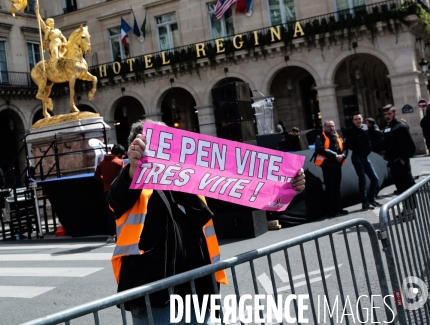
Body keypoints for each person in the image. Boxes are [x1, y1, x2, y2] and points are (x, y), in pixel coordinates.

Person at [109, 120, 306, 324]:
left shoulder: (187, 180)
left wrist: (285, 187)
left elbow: (235, 195)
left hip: (198, 293)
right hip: (156, 300)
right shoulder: (133, 181)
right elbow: (116, 198)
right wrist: (133, 167)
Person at [344, 113, 380, 210]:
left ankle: (371, 198)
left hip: (365, 157)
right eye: (356, 119)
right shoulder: (351, 131)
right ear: (353, 121)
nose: (358, 121)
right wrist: (359, 150)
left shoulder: (365, 129)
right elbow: (347, 144)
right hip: (357, 157)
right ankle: (364, 202)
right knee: (362, 179)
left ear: (362, 119)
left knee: (374, 178)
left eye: (359, 119)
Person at [314, 120, 349, 217]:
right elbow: (320, 149)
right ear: (324, 127)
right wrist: (335, 155)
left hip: (337, 165)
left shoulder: (338, 136)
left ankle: (338, 207)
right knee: (330, 188)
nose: (331, 128)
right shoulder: (320, 137)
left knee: (337, 188)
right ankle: (330, 210)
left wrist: (343, 156)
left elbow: (345, 148)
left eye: (332, 126)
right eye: (329, 126)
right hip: (327, 166)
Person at [94, 144, 125, 243]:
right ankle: (122, 233)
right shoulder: (119, 162)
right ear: (119, 153)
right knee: (121, 212)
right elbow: (124, 177)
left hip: (107, 190)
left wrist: (104, 181)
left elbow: (96, 176)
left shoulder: (102, 162)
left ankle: (111, 236)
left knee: (111, 214)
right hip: (118, 190)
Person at [382, 105, 416, 196]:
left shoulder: (401, 126)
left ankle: (411, 208)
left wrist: (403, 159)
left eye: (389, 113)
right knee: (400, 187)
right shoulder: (387, 127)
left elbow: (410, 146)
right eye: (385, 114)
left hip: (401, 162)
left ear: (395, 113)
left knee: (407, 186)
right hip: (392, 162)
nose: (387, 116)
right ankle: (407, 208)